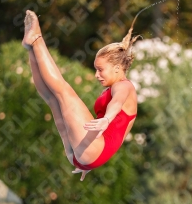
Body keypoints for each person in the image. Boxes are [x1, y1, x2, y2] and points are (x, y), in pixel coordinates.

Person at [22, 10, 138, 181]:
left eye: (100, 70)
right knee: (52, 99)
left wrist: (106, 119)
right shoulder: (114, 87)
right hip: (83, 155)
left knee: (64, 91)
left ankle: (36, 39)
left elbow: (117, 103)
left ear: (117, 68)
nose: (97, 75)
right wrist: (89, 162)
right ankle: (31, 47)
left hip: (91, 150)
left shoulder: (124, 86)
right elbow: (117, 136)